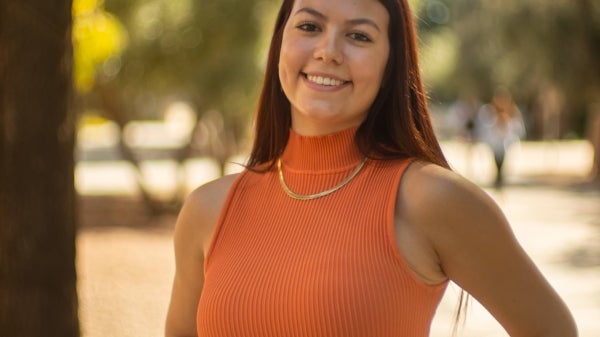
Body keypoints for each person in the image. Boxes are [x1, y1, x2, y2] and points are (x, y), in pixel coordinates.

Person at [165, 0, 577, 336]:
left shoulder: (432, 199)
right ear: (279, 45)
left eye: (359, 36)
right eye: (309, 27)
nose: (328, 50)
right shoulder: (208, 210)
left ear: (390, 66)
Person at [476, 87, 526, 187]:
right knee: (496, 158)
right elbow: (485, 127)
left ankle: (500, 177)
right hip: (495, 141)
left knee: (502, 158)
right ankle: (498, 177)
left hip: (504, 141)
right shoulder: (489, 111)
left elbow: (517, 128)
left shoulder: (512, 112)